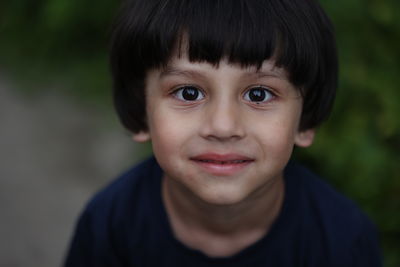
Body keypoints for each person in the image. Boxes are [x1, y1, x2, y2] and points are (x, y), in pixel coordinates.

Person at [64, 0, 382, 266]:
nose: (223, 127)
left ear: (305, 119)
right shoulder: (109, 227)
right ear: (141, 110)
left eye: (259, 94)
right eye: (188, 93)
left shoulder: (343, 243)